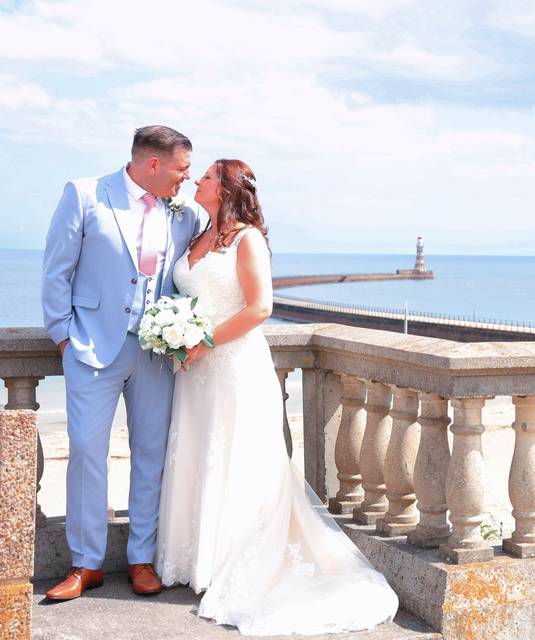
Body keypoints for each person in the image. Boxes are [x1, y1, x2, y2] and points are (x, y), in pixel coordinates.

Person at [155, 159, 398, 635]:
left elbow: (261, 307)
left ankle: (232, 562)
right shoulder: (194, 237)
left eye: (205, 176)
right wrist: (173, 337)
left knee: (237, 458)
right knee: (198, 455)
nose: (196, 181)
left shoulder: (247, 239)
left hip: (232, 366)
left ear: (225, 190)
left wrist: (201, 342)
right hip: (194, 374)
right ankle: (195, 560)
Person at [41, 125, 202, 600]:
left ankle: (141, 558)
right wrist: (64, 338)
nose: (186, 180)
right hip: (92, 348)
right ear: (153, 164)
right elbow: (57, 270)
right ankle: (84, 564)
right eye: (182, 169)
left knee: (151, 455)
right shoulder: (86, 193)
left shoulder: (185, 213)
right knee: (87, 451)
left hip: (155, 353)